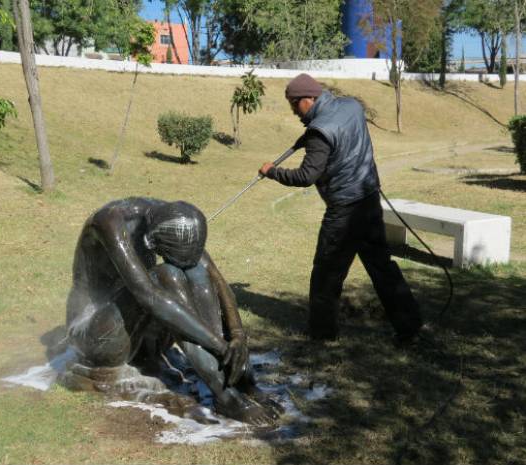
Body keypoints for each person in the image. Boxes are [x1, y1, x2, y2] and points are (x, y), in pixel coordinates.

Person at [64, 197, 279, 424]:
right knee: (167, 276)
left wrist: (236, 336)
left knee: (196, 272)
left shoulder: (173, 217)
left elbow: (216, 277)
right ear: (150, 242)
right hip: (93, 336)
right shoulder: (109, 222)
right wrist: (218, 345)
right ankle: (225, 395)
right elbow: (149, 296)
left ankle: (236, 379)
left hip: (135, 332)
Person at [258, 73, 422, 344]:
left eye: (294, 104)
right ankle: (410, 327)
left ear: (308, 99)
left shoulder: (319, 134)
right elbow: (338, 134)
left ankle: (322, 335)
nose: (293, 110)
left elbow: (305, 176)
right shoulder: (351, 106)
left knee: (326, 273)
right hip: (369, 199)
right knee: (383, 267)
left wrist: (273, 172)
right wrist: (307, 137)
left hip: (344, 212)